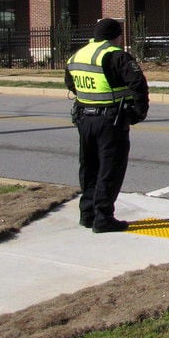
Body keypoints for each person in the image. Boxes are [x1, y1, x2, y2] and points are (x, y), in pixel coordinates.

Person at [65, 18, 149, 233]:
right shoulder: (116, 55)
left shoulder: (78, 55)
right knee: (110, 169)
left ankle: (88, 214)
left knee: (89, 167)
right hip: (110, 121)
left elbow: (70, 84)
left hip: (84, 118)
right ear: (116, 35)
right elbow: (138, 84)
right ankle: (103, 218)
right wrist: (138, 113)